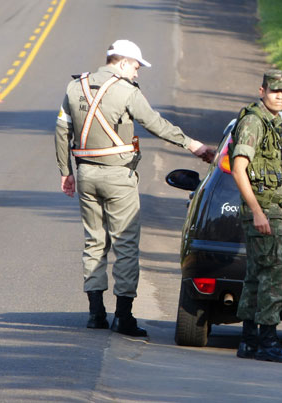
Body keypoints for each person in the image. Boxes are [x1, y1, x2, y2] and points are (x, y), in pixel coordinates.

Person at [54, 39, 215, 337]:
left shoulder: (75, 87)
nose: (138, 73)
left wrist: (66, 172)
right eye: (137, 67)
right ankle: (124, 317)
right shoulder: (127, 91)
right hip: (118, 177)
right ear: (124, 62)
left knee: (94, 243)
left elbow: (62, 130)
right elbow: (154, 123)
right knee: (125, 245)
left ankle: (95, 313)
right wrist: (191, 144)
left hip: (86, 173)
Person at [229, 69, 282, 363]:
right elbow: (239, 169)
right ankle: (267, 341)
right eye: (274, 90)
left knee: (258, 275)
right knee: (276, 276)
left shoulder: (271, 123)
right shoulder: (254, 121)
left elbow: (260, 169)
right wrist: (257, 212)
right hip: (263, 209)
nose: (279, 96)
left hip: (270, 207)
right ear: (261, 90)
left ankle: (250, 340)